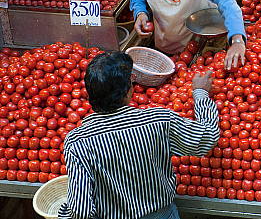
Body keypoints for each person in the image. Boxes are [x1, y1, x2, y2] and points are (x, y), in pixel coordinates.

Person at [58, 52, 218, 219]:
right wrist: (200, 94)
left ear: (90, 95)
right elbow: (207, 137)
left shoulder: (77, 142)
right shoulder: (158, 121)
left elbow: (80, 210)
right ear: (128, 91)